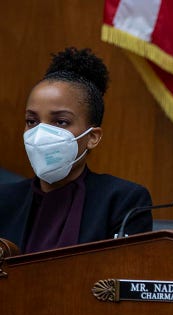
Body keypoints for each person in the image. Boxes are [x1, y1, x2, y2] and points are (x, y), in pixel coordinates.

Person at [0, 47, 152, 254]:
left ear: (92, 137)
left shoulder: (123, 200)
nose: (41, 133)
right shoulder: (5, 199)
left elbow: (122, 278)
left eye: (61, 122)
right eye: (31, 121)